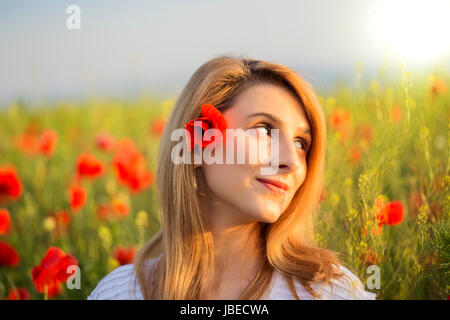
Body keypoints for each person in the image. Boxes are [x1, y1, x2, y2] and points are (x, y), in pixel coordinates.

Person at [88, 55, 376, 300]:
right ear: (200, 141)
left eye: (302, 143)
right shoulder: (121, 292)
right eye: (264, 130)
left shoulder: (328, 291)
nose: (290, 160)